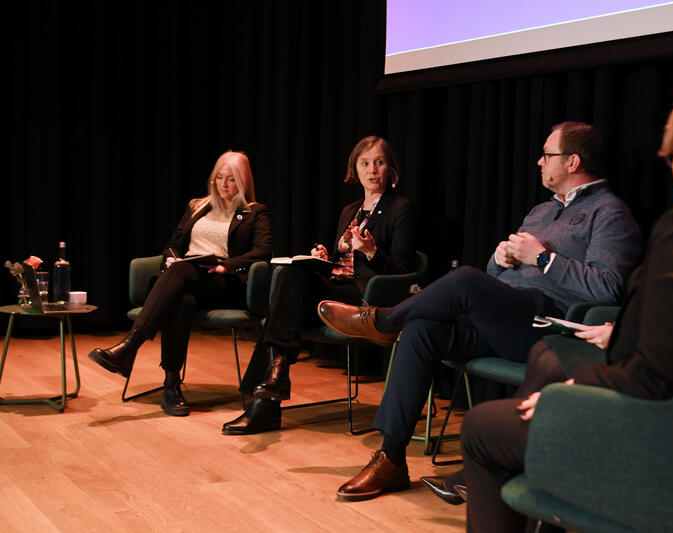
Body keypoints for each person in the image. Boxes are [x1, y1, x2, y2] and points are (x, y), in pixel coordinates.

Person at [460, 76, 673, 532]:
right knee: (543, 367)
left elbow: (654, 378)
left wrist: (571, 393)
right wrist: (627, 332)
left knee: (481, 427)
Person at [317, 121, 643, 501]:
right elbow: (495, 276)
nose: (539, 162)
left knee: (465, 279)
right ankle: (390, 458)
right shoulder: (541, 211)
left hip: (548, 328)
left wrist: (543, 259)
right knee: (423, 328)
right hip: (503, 320)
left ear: (572, 162)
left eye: (547, 155)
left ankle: (383, 320)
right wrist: (501, 260)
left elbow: (608, 288)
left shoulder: (609, 212)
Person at [220, 135, 415, 435]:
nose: (372, 170)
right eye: (365, 163)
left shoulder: (400, 208)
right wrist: (326, 259)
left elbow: (404, 271)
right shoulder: (350, 211)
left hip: (366, 297)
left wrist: (372, 252)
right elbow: (343, 262)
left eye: (379, 162)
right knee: (292, 274)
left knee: (281, 309)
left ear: (391, 169)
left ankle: (266, 403)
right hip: (337, 287)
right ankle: (274, 382)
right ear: (356, 169)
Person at [88, 150, 273, 416]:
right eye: (219, 177)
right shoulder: (197, 206)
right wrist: (172, 259)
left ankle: (129, 347)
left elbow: (263, 251)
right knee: (182, 300)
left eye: (231, 179)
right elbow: (173, 245)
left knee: (180, 276)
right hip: (185, 278)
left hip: (222, 282)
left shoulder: (254, 212)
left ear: (243, 181)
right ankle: (171, 386)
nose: (223, 184)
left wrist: (227, 266)